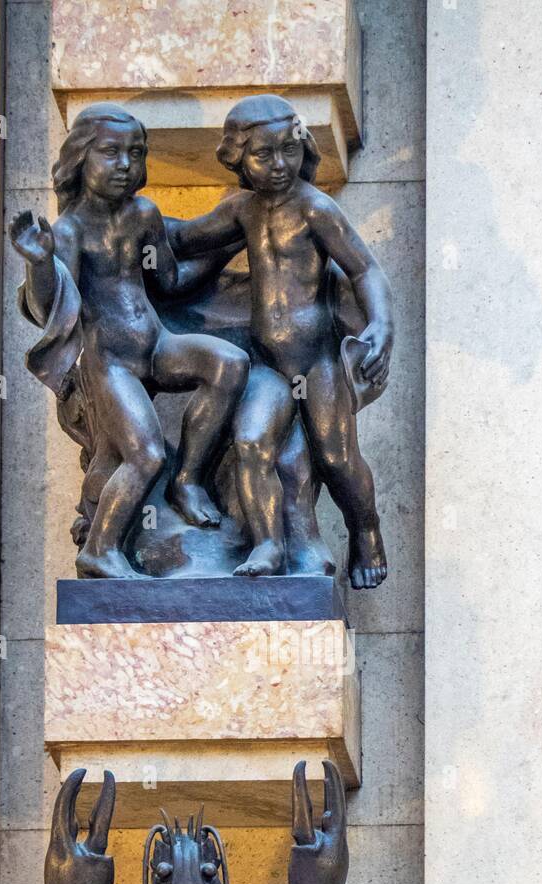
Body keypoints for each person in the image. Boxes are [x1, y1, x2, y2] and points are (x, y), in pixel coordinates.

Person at [11, 102, 249, 579]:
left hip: (156, 346)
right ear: (81, 158)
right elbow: (51, 306)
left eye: (135, 153)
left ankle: (188, 481)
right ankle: (100, 549)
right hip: (109, 362)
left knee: (230, 364)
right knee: (145, 455)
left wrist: (231, 244)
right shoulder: (71, 230)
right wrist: (40, 264)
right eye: (110, 153)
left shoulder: (143, 213)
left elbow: (170, 282)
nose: (125, 165)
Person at [171, 94, 393, 588]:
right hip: (266, 364)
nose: (278, 165)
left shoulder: (316, 209)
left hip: (316, 365)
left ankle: (367, 530)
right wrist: (125, 223)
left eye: (288, 151)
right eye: (263, 155)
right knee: (251, 441)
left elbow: (364, 269)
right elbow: (184, 239)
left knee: (336, 459)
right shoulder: (243, 211)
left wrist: (380, 325)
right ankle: (268, 544)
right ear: (238, 159)